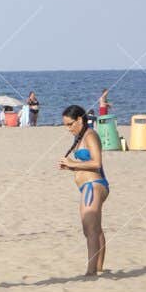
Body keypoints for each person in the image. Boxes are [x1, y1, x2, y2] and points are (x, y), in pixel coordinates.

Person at [59, 104, 109, 275]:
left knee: (90, 229)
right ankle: (99, 268)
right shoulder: (81, 137)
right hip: (89, 186)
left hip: (93, 186)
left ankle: (90, 271)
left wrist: (73, 163)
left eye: (70, 124)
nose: (68, 129)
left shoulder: (90, 136)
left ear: (79, 119)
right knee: (95, 228)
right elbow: (86, 166)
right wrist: (72, 168)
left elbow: (97, 163)